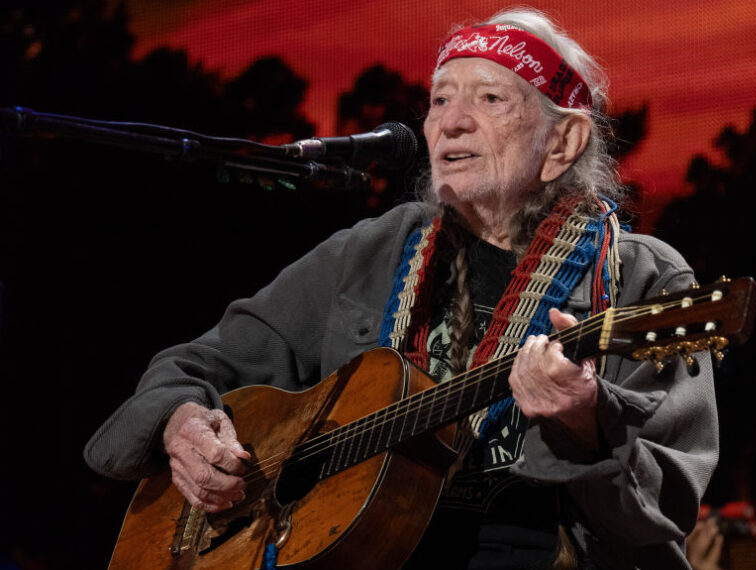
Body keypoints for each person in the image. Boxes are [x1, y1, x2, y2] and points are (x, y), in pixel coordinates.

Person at [84, 8, 719, 569]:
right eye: (440, 100)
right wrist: (180, 422)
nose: (451, 123)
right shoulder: (371, 251)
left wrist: (587, 423)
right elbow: (191, 366)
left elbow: (667, 506)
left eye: (491, 100)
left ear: (563, 141)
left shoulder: (643, 278)